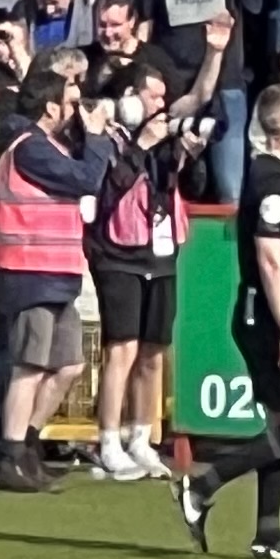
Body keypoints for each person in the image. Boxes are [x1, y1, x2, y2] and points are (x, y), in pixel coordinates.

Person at [178, 82, 280, 559]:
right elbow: (270, 257)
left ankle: (268, 534)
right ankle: (202, 485)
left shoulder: (278, 173)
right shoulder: (273, 182)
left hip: (263, 312)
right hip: (266, 315)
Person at [0, 56, 106, 494]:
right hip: (29, 270)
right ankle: (10, 456)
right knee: (29, 366)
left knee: (68, 366)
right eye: (70, 102)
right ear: (50, 108)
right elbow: (87, 179)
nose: (77, 111)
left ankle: (25, 444)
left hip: (54, 271)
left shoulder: (48, 146)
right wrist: (99, 138)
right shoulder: (29, 146)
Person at [83, 66, 190, 481]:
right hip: (117, 254)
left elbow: (185, 181)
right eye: (152, 96)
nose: (159, 106)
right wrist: (141, 145)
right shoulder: (107, 137)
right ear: (130, 95)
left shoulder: (165, 141)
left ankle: (141, 438)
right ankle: (108, 438)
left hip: (159, 253)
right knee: (121, 348)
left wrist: (184, 151)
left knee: (153, 351)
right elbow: (108, 193)